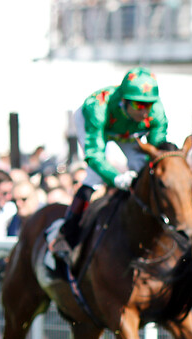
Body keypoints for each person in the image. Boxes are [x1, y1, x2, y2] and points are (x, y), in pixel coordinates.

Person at [49, 67, 168, 261]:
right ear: (125, 100)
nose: (145, 111)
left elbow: (157, 154)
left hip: (127, 130)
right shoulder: (97, 108)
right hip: (99, 125)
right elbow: (94, 155)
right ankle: (66, 234)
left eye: (149, 105)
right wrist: (116, 178)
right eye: (139, 105)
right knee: (95, 176)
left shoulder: (157, 113)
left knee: (142, 168)